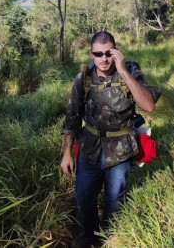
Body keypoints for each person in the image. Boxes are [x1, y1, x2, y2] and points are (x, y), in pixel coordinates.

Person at [60, 31, 161, 248]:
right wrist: (67, 152)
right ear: (91, 54)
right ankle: (89, 233)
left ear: (116, 51)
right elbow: (72, 117)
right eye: (98, 54)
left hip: (121, 150)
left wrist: (123, 70)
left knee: (115, 199)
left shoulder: (130, 70)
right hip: (90, 149)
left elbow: (149, 105)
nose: (104, 59)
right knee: (84, 197)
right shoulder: (84, 78)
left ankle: (108, 235)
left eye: (108, 53)